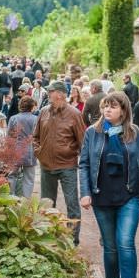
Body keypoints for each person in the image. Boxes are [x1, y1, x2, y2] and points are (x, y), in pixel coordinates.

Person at [79, 91, 139, 278]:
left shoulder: (134, 133)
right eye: (105, 106)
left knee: (125, 243)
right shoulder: (93, 132)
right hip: (102, 196)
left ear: (123, 110)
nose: (107, 110)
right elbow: (84, 164)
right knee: (110, 247)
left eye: (112, 106)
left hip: (129, 195)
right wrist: (85, 192)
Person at [33, 81, 86, 245]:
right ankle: (48, 238)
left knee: (72, 204)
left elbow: (83, 142)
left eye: (51, 92)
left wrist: (72, 153)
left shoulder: (75, 114)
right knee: (46, 204)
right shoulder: (43, 112)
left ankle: (73, 240)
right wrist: (39, 152)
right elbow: (35, 137)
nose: (48, 95)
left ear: (61, 94)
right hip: (46, 166)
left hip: (67, 165)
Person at [7, 96, 38, 198]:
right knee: (29, 178)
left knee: (12, 175)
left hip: (15, 150)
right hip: (30, 151)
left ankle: (11, 197)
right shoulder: (36, 119)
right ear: (32, 106)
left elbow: (9, 136)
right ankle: (26, 200)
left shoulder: (13, 118)